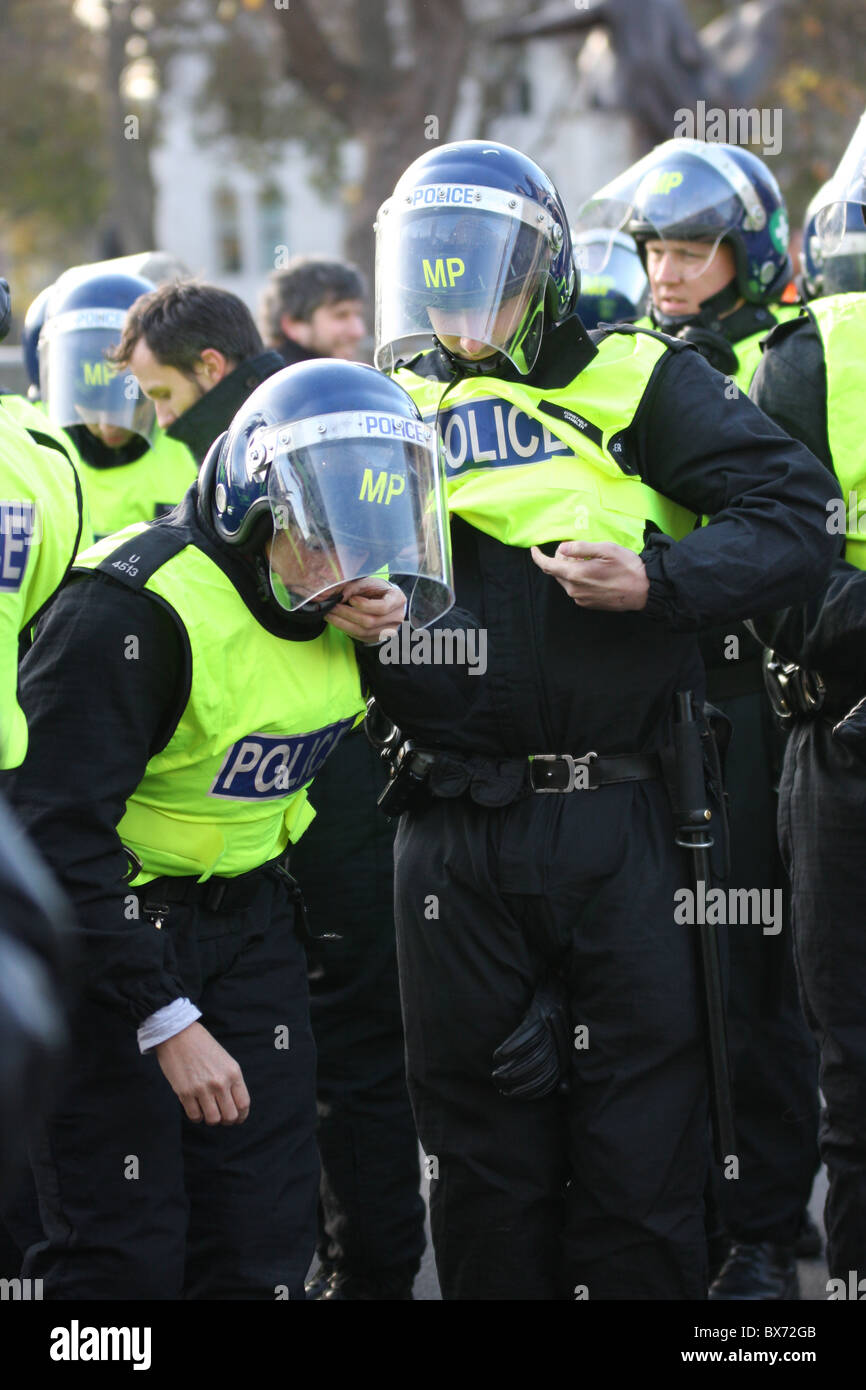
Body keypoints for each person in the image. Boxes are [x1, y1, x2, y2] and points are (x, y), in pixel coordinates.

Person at [364, 137, 839, 1301]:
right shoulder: (389, 399)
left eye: (479, 270)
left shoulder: (635, 375)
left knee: (640, 1158)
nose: (453, 300)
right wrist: (332, 599)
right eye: (430, 270)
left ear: (541, 274)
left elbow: (796, 513)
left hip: (624, 811)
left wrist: (658, 578)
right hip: (445, 823)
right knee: (476, 1162)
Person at [4, 358, 452, 1299]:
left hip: (250, 933)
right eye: (325, 537)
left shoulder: (347, 606)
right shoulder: (130, 608)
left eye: (371, 538)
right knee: (118, 1250)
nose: (352, 566)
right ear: (259, 508)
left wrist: (391, 647)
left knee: (261, 1240)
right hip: (109, 942)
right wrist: (163, 1017)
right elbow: (48, 836)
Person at [587, 138, 822, 1298]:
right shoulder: (632, 365)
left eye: (691, 248)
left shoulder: (783, 362)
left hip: (756, 705)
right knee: (668, 979)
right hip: (660, 703)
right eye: (653, 250)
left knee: (753, 974)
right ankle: (693, 1212)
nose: (668, 272)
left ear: (748, 252)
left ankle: (764, 1231)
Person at [258, 254, 427, 1299]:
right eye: (332, 310)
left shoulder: (378, 437)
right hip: (230, 853)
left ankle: (369, 1269)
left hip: (352, 799)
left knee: (358, 1044)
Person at [749, 110, 866, 1290]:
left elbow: (780, 578)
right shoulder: (809, 354)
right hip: (837, 728)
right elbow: (779, 572)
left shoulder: (801, 348)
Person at [584, 138, 799, 390]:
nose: (664, 276)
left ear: (753, 260)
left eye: (688, 255)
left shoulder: (794, 356)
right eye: (655, 252)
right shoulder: (617, 348)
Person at [39, 268, 197, 539]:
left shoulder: (192, 447)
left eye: (126, 408)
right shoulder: (35, 444)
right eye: (90, 407)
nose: (105, 424)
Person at [110, 278, 285, 465]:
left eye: (164, 394)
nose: (162, 420)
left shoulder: (292, 451)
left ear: (210, 366)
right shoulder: (305, 418)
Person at [260, 256, 366, 365]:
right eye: (341, 315)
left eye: (359, 315)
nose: (358, 331)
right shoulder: (296, 379)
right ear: (293, 325)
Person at [572, 229, 648, 329]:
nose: (598, 258)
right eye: (594, 253)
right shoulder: (579, 293)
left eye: (601, 253)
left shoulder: (623, 299)